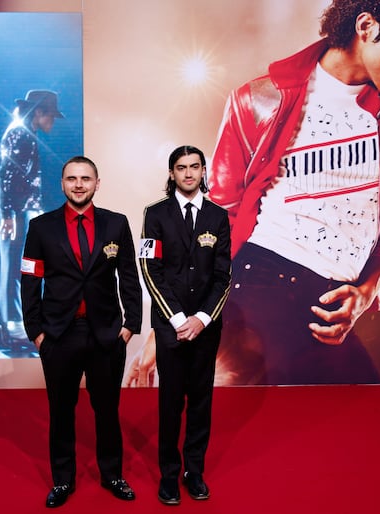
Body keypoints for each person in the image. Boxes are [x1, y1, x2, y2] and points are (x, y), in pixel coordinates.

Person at [206, 0, 380, 384]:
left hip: (327, 305)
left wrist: (364, 292)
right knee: (252, 433)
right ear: (365, 26)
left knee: (359, 433)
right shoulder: (259, 100)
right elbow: (217, 215)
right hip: (259, 284)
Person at [20, 156, 142, 508]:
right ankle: (62, 481)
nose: (78, 184)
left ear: (97, 183)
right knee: (61, 410)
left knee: (107, 409)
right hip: (58, 334)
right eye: (71, 178)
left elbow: (129, 277)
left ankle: (112, 475)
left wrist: (130, 325)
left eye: (85, 178)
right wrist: (37, 333)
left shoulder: (116, 224)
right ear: (62, 184)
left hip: (106, 334)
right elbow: (30, 281)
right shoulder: (41, 227)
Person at [139, 146, 231, 505]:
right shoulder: (154, 214)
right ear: (172, 173)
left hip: (206, 327)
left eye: (195, 167)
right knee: (170, 401)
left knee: (201, 403)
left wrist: (202, 319)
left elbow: (224, 275)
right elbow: (150, 268)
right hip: (170, 327)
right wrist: (178, 319)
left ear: (204, 170)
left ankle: (195, 473)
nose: (189, 173)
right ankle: (169, 476)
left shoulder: (218, 217)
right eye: (181, 168)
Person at [0, 89, 63, 354]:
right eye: (51, 116)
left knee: (18, 267)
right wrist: (9, 214)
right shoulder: (21, 133)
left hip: (19, 211)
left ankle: (15, 326)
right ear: (40, 112)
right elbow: (6, 175)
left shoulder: (25, 133)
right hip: (13, 212)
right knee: (12, 268)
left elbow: (24, 180)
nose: (52, 122)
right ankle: (12, 327)